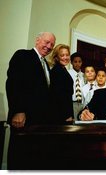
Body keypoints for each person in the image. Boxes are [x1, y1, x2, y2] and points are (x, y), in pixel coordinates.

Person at [6, 32, 56, 169]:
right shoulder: (23, 55)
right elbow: (13, 84)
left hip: (40, 121)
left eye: (52, 44)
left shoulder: (46, 64)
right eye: (46, 42)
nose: (49, 46)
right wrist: (18, 111)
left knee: (34, 159)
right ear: (37, 40)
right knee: (19, 158)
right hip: (23, 119)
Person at [49, 44, 74, 124]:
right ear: (56, 57)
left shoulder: (63, 69)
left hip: (65, 112)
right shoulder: (56, 71)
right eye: (62, 55)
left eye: (67, 55)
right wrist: (67, 115)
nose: (65, 57)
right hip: (61, 115)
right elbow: (59, 96)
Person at [68, 52, 85, 120]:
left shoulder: (84, 75)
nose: (77, 64)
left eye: (79, 62)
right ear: (71, 62)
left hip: (82, 103)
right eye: (75, 62)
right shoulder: (67, 74)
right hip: (72, 103)